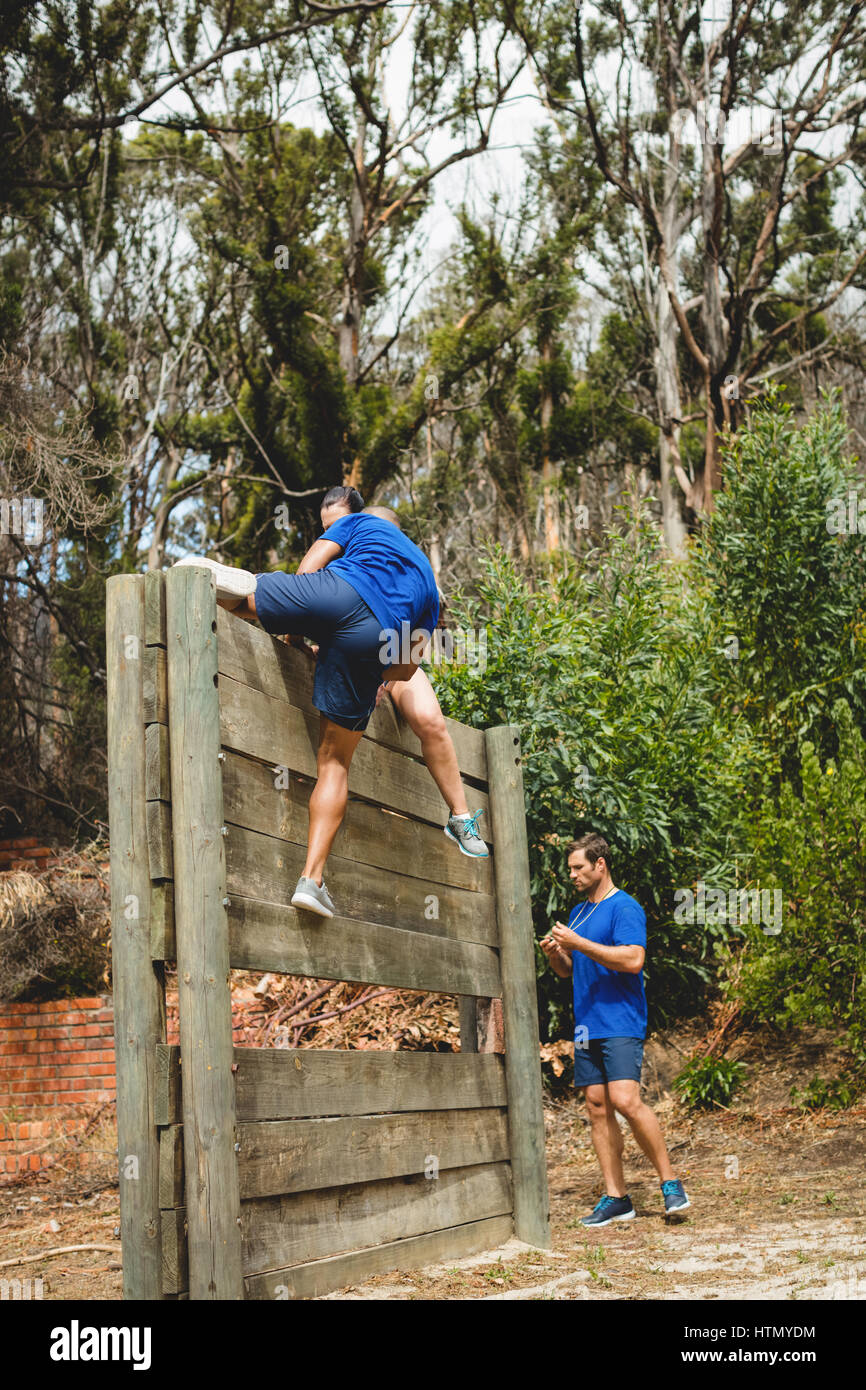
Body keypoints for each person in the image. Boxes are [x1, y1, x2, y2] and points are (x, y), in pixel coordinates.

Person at [172, 486, 483, 920]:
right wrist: (371, 671)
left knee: (249, 601)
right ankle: (311, 881)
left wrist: (294, 629)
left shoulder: (359, 524)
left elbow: (311, 567)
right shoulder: (427, 580)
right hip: (380, 640)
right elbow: (404, 671)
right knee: (334, 764)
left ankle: (222, 582)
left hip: (340, 591)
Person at [319, 490, 487, 861]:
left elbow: (411, 648)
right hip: (350, 651)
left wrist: (384, 679)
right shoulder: (343, 561)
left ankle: (460, 816)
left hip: (395, 659)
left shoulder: (412, 574)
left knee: (430, 719)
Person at [540, 832, 690, 1225]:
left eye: (578, 867)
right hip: (587, 1025)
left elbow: (632, 960)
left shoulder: (625, 907)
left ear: (600, 865)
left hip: (621, 1020)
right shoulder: (577, 914)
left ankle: (671, 1184)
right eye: (570, 868)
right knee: (596, 1106)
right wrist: (557, 955)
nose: (571, 874)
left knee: (625, 1100)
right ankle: (616, 1197)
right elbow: (570, 972)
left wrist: (579, 942)